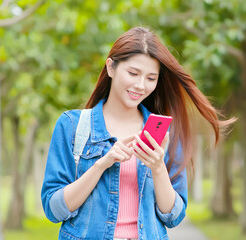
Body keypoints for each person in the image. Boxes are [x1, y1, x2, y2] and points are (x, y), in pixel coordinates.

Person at [41, 27, 232, 240]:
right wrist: (101, 165)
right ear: (111, 67)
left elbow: (174, 216)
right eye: (133, 73)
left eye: (151, 78)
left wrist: (158, 167)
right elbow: (54, 209)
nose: (140, 85)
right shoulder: (72, 126)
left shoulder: (164, 133)